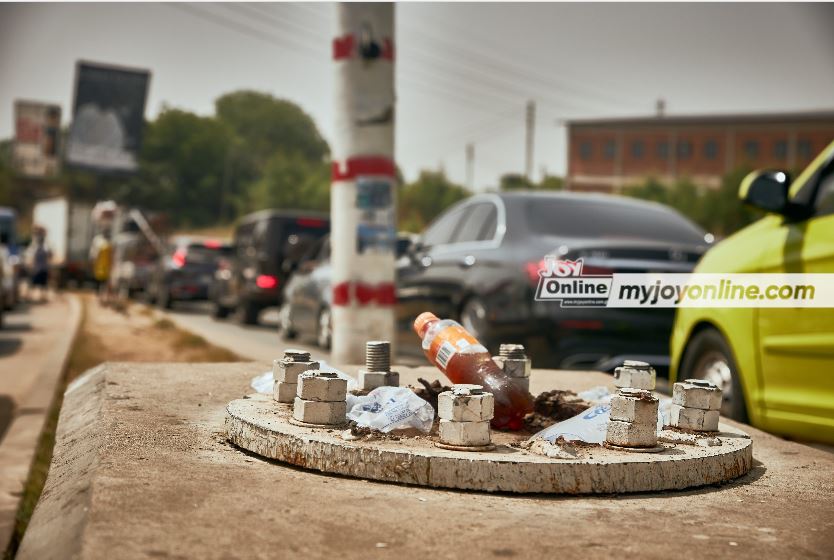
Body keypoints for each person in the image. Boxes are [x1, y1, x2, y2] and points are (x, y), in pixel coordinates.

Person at [25, 226, 51, 302]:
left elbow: (49, 254)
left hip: (42, 269)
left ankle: (42, 297)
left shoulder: (45, 245)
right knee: (32, 284)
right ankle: (29, 296)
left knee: (43, 285)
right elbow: (30, 256)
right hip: (37, 269)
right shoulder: (34, 245)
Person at [89, 228, 113, 304]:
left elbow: (111, 256)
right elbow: (95, 255)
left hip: (104, 266)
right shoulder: (102, 243)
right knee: (100, 282)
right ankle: (100, 297)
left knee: (103, 283)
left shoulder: (107, 243)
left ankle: (102, 297)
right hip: (100, 266)